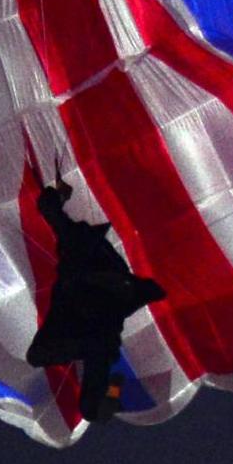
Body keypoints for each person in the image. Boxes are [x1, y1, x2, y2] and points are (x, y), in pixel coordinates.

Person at [24, 169, 168, 423]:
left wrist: (58, 194)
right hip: (96, 311)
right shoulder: (112, 296)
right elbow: (152, 290)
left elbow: (49, 208)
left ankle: (99, 400)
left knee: (57, 353)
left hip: (89, 309)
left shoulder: (78, 248)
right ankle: (100, 400)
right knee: (89, 352)